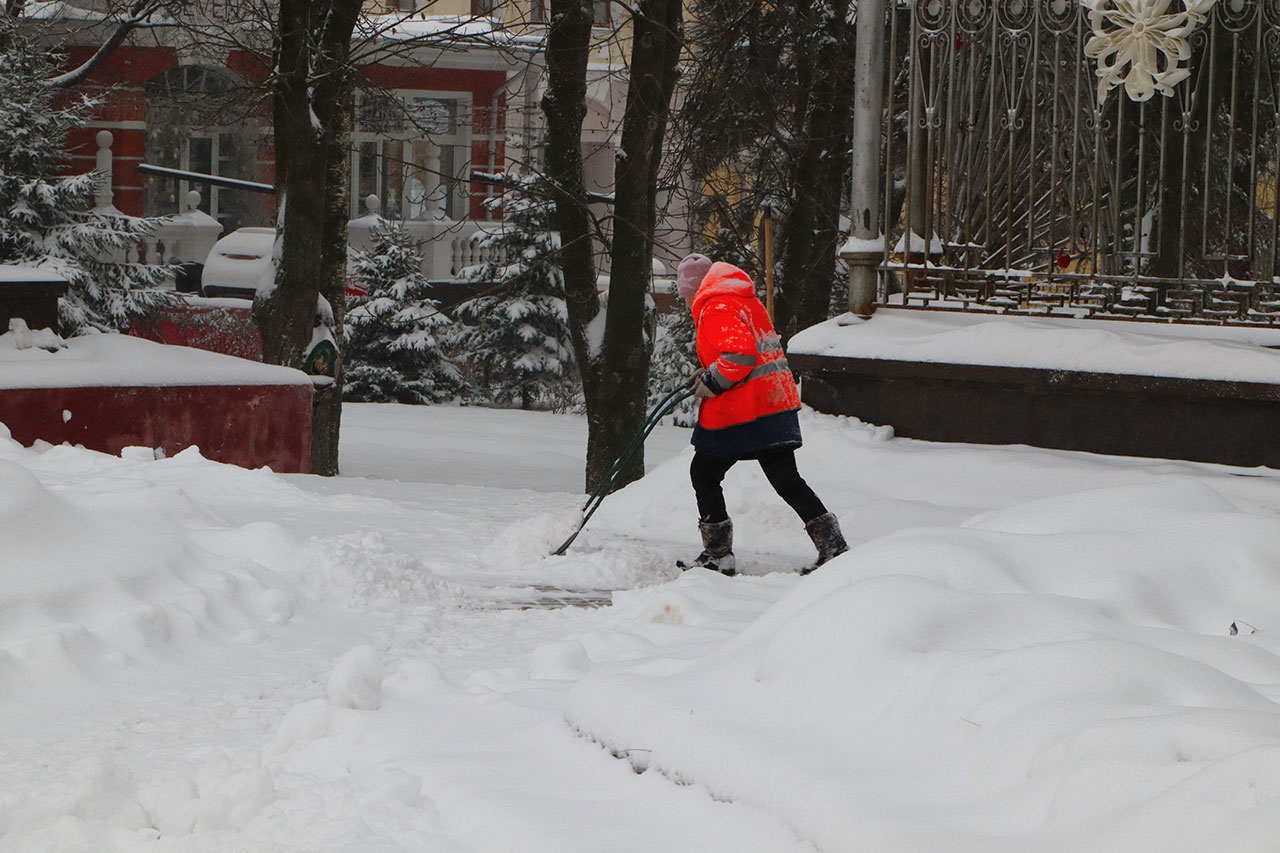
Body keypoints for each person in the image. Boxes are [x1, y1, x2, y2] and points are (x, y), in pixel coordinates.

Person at [675, 253, 849, 576]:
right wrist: (709, 371)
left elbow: (741, 354)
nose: (685, 301)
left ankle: (718, 555)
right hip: (773, 404)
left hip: (747, 412)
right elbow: (742, 351)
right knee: (786, 479)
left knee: (704, 472)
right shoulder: (739, 300)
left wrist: (713, 380)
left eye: (686, 293)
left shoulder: (715, 307)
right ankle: (833, 545)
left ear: (696, 288)